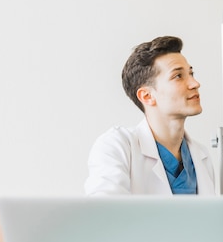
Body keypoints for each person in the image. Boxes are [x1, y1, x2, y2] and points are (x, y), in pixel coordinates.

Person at [84, 36, 215, 195]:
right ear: (147, 96)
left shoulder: (201, 156)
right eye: (178, 76)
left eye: (191, 73)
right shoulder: (117, 146)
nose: (195, 83)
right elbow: (104, 214)